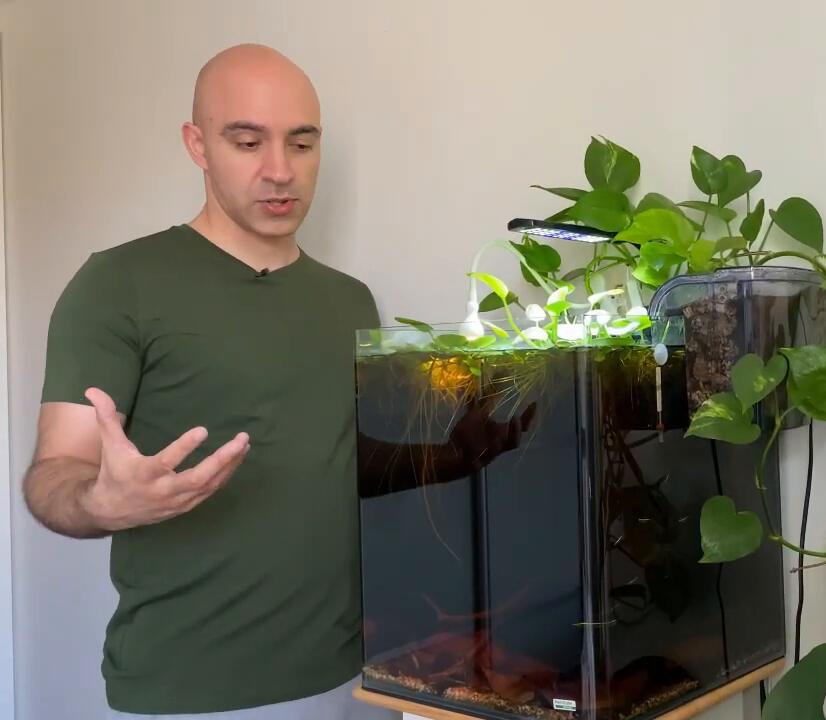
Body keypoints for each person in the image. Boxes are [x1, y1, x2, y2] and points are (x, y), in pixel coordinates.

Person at [21, 43, 525, 719]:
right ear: (197, 145)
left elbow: (338, 463)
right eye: (248, 141)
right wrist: (102, 502)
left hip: (358, 677)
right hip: (191, 692)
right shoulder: (118, 284)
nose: (280, 170)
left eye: (302, 143)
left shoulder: (349, 300)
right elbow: (54, 475)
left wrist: (455, 457)